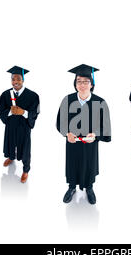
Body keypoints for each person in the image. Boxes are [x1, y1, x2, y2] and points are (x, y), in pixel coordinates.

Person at [56, 64, 111, 204]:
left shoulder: (100, 102)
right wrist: (67, 133)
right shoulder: (67, 100)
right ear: (75, 84)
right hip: (72, 142)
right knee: (72, 164)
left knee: (89, 164)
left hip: (90, 144)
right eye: (79, 81)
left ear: (92, 84)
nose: (82, 84)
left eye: (86, 81)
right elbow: (60, 122)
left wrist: (96, 135)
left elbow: (105, 126)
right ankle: (71, 187)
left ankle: (90, 188)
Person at [0, 66, 40, 183]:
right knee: (10, 143)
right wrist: (10, 111)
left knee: (25, 149)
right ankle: (11, 157)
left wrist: (24, 112)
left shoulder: (33, 95)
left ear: (23, 80)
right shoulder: (6, 94)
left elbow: (35, 112)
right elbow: (0, 109)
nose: (15, 82)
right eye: (13, 79)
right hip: (10, 126)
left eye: (18, 79)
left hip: (24, 127)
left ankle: (25, 170)